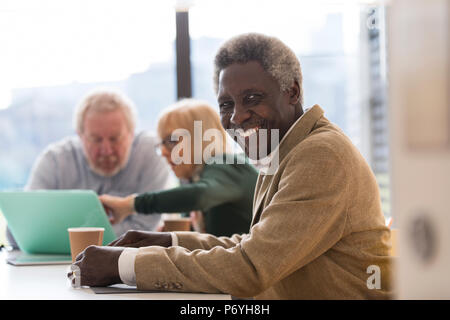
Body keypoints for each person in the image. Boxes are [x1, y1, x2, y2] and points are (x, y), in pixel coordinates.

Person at [70, 33, 393, 299]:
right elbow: (256, 246)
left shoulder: (321, 155)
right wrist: (169, 241)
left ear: (292, 91)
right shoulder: (285, 149)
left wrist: (125, 265)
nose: (237, 117)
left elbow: (251, 268)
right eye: (227, 104)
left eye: (252, 98)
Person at [7, 88, 171, 248]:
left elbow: (144, 229)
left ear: (131, 134)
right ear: (80, 135)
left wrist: (67, 237)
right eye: (96, 139)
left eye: (114, 139)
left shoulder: (152, 153)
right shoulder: (55, 160)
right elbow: (20, 233)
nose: (106, 150)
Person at [100, 99, 257, 237]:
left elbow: (200, 195)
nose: (162, 152)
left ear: (200, 140)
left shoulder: (226, 163)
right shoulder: (196, 181)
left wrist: (130, 205)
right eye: (162, 143)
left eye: (172, 141)